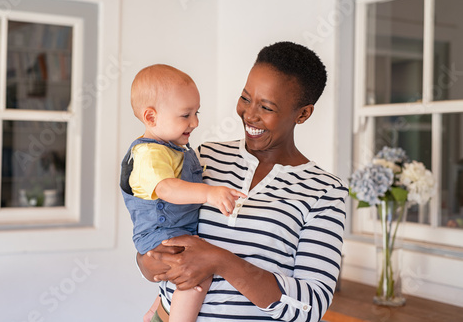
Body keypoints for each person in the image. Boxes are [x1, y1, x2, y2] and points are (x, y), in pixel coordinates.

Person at [136, 42, 349, 322]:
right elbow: (155, 229)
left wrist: (220, 260)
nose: (249, 115)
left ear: (303, 114)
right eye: (246, 98)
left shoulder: (325, 191)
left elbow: (312, 305)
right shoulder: (202, 157)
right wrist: (147, 262)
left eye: (267, 107)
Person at [120, 64, 246, 322]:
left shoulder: (174, 148)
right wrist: (209, 194)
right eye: (185, 115)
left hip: (177, 230)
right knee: (197, 275)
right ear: (151, 118)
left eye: (196, 113)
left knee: (183, 269)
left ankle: (156, 308)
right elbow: (167, 188)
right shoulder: (149, 154)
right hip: (160, 233)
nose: (195, 122)